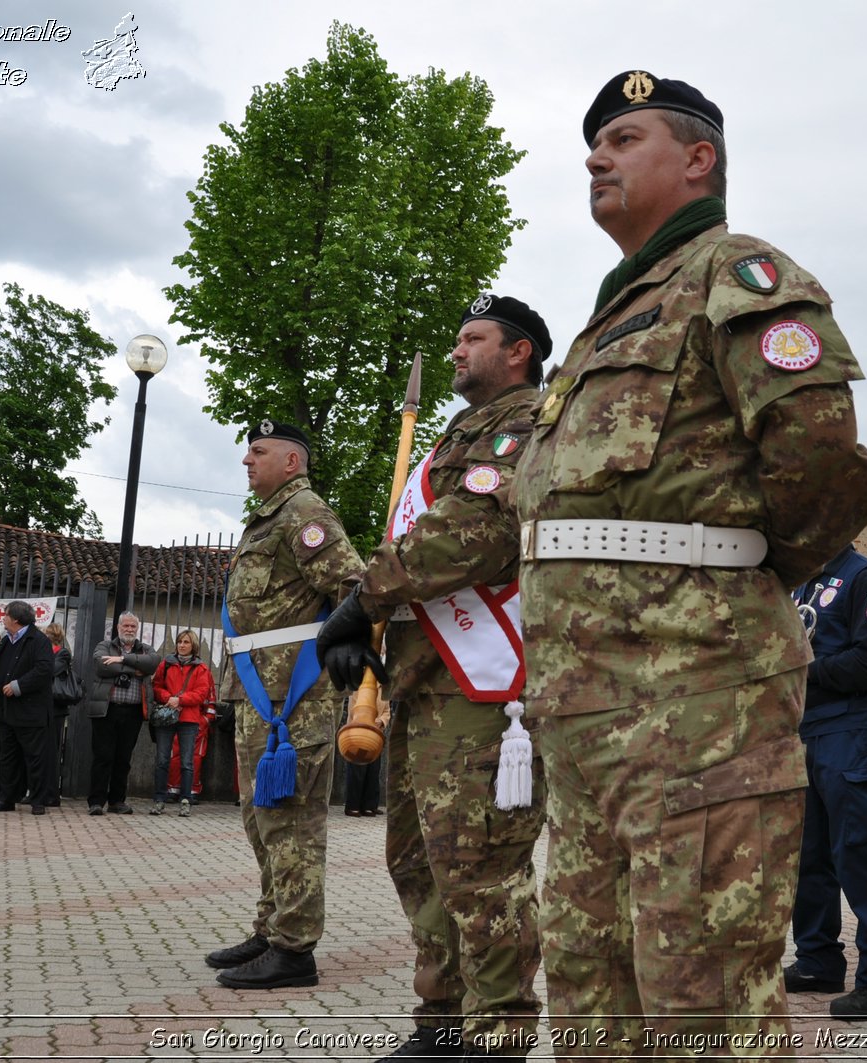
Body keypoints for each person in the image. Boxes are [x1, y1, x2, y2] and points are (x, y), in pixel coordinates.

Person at [509, 71, 867, 1050]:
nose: (595, 156)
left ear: (698, 159)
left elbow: (819, 459)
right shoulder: (603, 321)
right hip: (584, 707)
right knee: (590, 977)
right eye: (593, 143)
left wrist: (724, 582)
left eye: (623, 138)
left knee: (698, 983)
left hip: (699, 695)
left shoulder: (737, 272)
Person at [318, 293, 551, 1056]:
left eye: (472, 338)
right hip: (427, 681)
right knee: (420, 860)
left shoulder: (526, 426)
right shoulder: (456, 434)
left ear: (517, 351)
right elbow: (420, 546)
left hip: (484, 693)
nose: (456, 350)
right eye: (455, 339)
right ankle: (443, 1016)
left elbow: (474, 536)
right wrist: (372, 636)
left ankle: (498, 1033)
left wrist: (359, 599)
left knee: (480, 865)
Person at [205, 420, 362, 992]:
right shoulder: (269, 517)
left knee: (292, 823)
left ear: (292, 462)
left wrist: (343, 650)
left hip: (293, 699)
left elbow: (354, 585)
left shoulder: (305, 514)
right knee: (261, 822)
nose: (248, 460)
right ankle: (271, 928)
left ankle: (295, 950)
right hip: (257, 693)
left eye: (259, 451)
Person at [785, 543, 867, 1019]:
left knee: (858, 855)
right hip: (807, 730)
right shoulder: (804, 581)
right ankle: (817, 959)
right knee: (808, 855)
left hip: (850, 732)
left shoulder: (864, 577)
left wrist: (799, 673)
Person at [0, 600, 54, 814]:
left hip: (31, 711)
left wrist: (18, 686)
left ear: (16, 620)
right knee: (7, 757)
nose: (3, 618)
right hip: (7, 710)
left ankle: (38, 800)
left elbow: (44, 670)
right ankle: (6, 799)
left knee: (34, 757)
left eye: (6, 615)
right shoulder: (6, 640)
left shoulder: (39, 641)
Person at [88, 613, 161, 816]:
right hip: (106, 710)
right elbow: (101, 665)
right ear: (118, 627)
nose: (129, 629)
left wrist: (122, 660)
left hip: (133, 712)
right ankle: (96, 801)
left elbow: (154, 662)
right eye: (126, 625)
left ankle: (117, 801)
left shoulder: (146, 649)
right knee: (103, 757)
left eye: (133, 626)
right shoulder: (104, 646)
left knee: (123, 758)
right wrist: (134, 668)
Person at [150, 630, 213, 817]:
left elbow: (202, 693)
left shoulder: (202, 669)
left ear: (193, 645)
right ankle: (159, 799)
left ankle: (185, 800)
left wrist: (181, 699)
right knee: (162, 760)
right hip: (167, 716)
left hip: (189, 719)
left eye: (186, 642)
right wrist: (168, 697)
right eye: (179, 642)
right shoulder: (166, 664)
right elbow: (156, 686)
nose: (182, 645)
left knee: (187, 762)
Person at [43, 622, 76, 808]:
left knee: (52, 752)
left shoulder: (62, 653)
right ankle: (38, 790)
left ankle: (52, 794)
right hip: (40, 707)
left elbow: (51, 671)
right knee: (39, 751)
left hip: (55, 708)